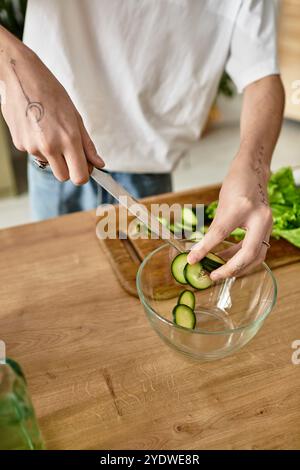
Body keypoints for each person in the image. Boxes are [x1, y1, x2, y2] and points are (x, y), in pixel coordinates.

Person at [0, 0, 284, 280]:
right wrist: (14, 61)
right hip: (53, 149)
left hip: (150, 164)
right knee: (55, 277)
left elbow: (262, 77)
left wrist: (255, 170)